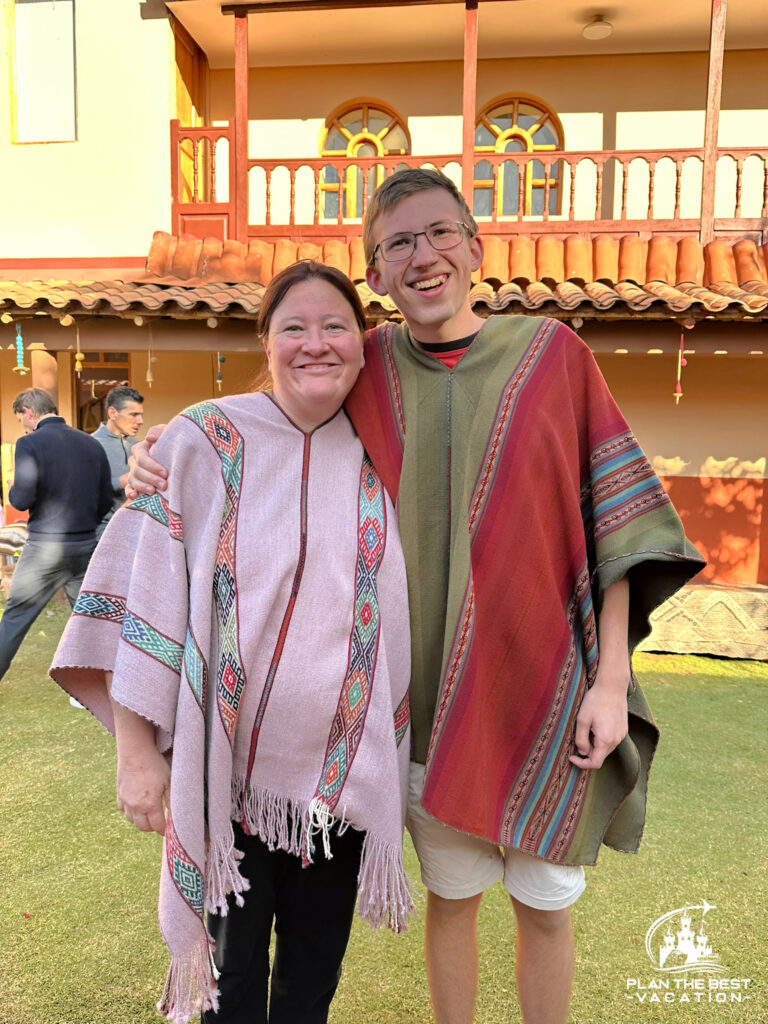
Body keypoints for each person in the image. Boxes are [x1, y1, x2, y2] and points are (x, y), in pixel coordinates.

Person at [127, 169, 705, 1024]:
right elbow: (284, 392)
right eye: (398, 243)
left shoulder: (554, 357)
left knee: (546, 907)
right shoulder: (369, 368)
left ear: (476, 247)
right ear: (377, 272)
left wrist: (611, 683)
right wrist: (167, 451)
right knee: (454, 899)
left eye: (440, 234)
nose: (423, 255)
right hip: (423, 703)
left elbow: (614, 523)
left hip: (547, 690)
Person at [50, 261, 412, 1024]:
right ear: (267, 340)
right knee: (229, 988)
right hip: (228, 780)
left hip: (341, 786)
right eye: (294, 328)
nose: (315, 344)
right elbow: (138, 587)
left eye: (336, 326)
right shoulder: (204, 439)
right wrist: (138, 755)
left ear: (365, 343)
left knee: (311, 987)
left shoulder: (387, 448)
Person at [0, 388, 112, 683]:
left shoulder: (29, 443)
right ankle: (108, 684)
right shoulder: (92, 444)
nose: (22, 425)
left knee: (16, 616)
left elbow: (21, 499)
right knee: (89, 621)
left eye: (20, 418)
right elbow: (104, 501)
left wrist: (13, 486)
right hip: (86, 545)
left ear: (28, 412)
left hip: (45, 548)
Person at [92, 385, 144, 537]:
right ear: (112, 413)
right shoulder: (91, 444)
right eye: (133, 414)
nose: (140, 421)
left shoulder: (137, 444)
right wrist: (121, 481)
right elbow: (82, 489)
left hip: (137, 528)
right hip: (104, 532)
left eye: (140, 414)